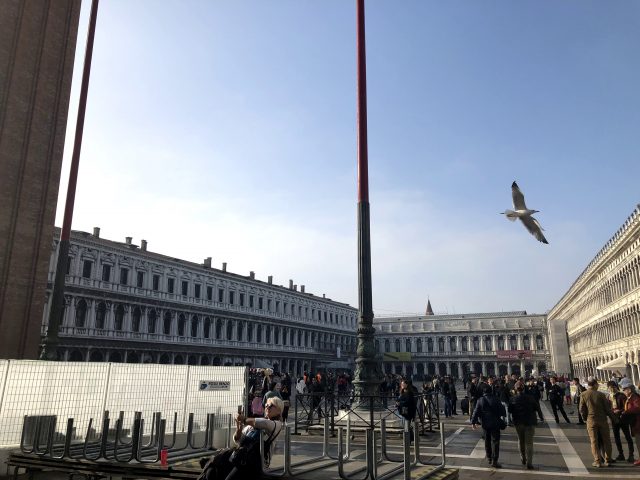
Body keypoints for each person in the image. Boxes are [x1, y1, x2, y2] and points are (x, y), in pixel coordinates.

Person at [229, 397, 284, 479]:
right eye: (266, 405)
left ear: (279, 411)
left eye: (271, 405)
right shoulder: (256, 423)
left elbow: (265, 424)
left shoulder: (277, 424)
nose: (267, 407)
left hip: (257, 463)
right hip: (242, 458)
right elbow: (238, 440)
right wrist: (239, 429)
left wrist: (243, 419)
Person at [580, 378, 617, 468]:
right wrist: (614, 418)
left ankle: (597, 461)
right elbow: (607, 409)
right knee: (606, 440)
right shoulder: (601, 394)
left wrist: (585, 419)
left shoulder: (583, 394)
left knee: (594, 441)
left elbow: (582, 409)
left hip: (591, 420)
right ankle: (607, 460)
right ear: (595, 385)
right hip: (602, 420)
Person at [509, 381, 543, 470]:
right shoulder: (530, 398)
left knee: (520, 440)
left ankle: (523, 458)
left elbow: (509, 410)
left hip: (518, 423)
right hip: (530, 422)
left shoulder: (513, 399)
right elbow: (537, 408)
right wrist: (541, 417)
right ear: (524, 389)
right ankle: (529, 463)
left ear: (515, 389)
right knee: (529, 443)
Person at [471, 386, 506, 468]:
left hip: (485, 424)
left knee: (487, 441)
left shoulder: (480, 400)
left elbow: (475, 412)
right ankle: (495, 460)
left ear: (484, 392)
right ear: (491, 391)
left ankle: (489, 458)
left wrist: (473, 422)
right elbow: (502, 411)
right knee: (495, 442)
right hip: (495, 423)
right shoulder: (496, 399)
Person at [607, 380, 634, 462]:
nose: (611, 389)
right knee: (616, 437)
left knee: (627, 436)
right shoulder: (608, 397)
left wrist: (620, 410)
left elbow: (626, 407)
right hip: (614, 419)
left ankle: (631, 455)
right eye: (609, 388)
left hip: (623, 418)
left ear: (616, 387)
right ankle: (621, 454)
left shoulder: (621, 396)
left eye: (613, 387)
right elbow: (608, 407)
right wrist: (611, 411)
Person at [620, 378, 640, 466]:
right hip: (634, 423)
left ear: (629, 389)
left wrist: (626, 412)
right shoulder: (631, 397)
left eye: (624, 389)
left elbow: (637, 408)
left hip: (638, 423)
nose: (623, 391)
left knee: (639, 442)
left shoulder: (635, 397)